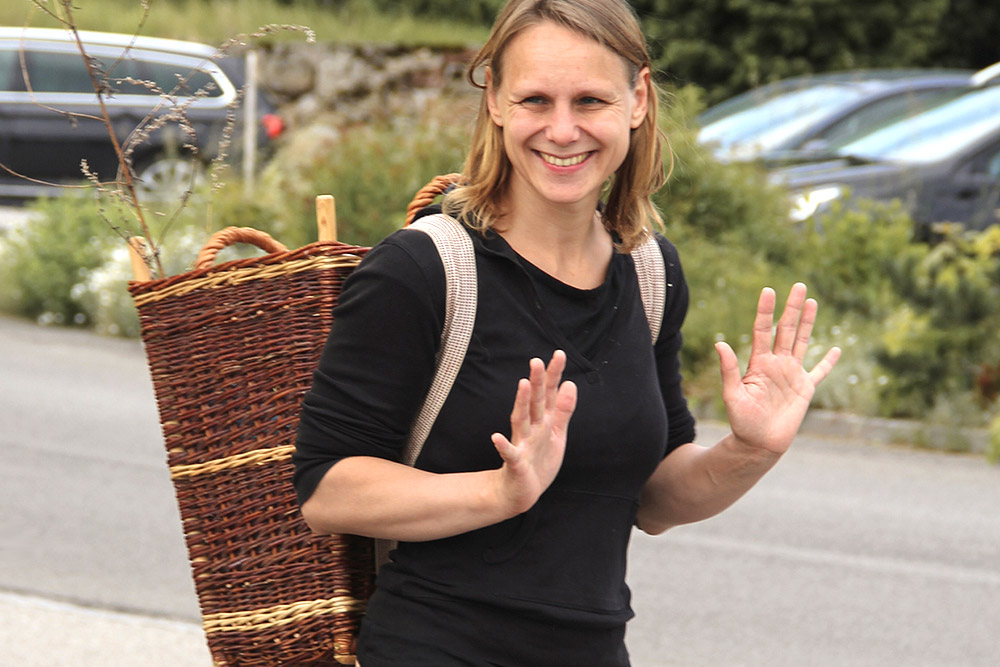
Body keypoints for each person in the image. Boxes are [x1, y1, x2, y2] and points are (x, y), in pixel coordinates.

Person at [292, 0, 841, 664]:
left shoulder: (650, 274)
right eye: (535, 100)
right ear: (493, 99)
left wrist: (751, 449)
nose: (561, 129)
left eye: (588, 100)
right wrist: (500, 491)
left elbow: (655, 498)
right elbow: (327, 490)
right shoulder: (423, 270)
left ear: (637, 100)